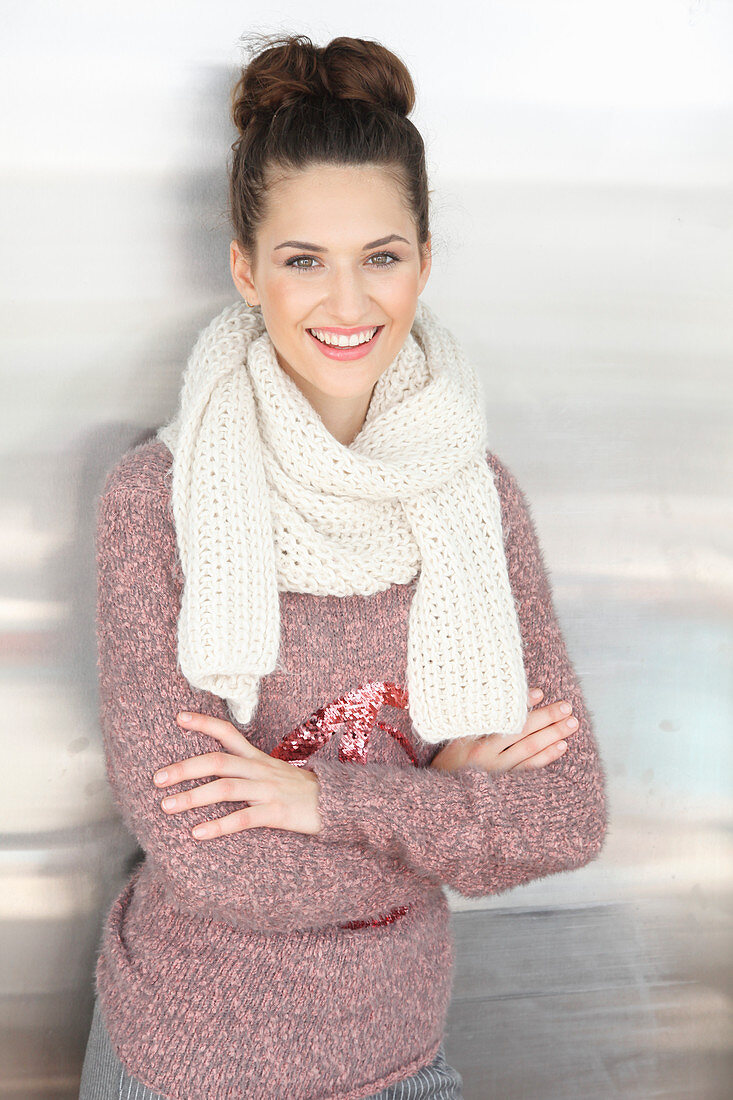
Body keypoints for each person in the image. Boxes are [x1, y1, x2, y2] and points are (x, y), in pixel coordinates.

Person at [78, 31, 608, 1100]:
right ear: (245, 266)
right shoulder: (156, 499)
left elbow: (565, 816)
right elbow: (214, 859)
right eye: (302, 259)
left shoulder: (478, 492)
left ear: (423, 258)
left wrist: (322, 800)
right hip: (186, 1054)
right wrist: (447, 802)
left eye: (381, 255)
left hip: (404, 1050)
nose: (347, 303)